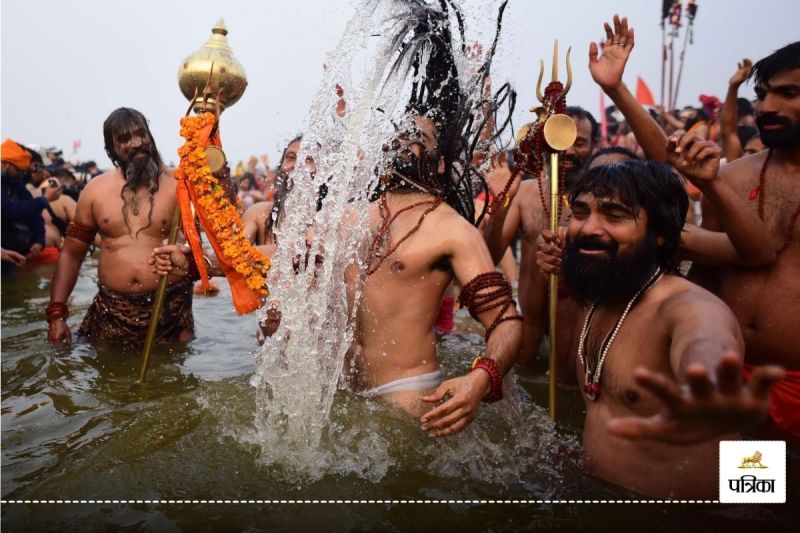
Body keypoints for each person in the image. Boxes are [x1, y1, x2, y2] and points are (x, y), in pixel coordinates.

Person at [536, 159, 782, 498]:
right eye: (580, 212)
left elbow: (706, 344)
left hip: (698, 518)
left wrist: (709, 385)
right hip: (609, 505)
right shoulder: (600, 297)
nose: (589, 228)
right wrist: (563, 286)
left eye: (614, 215)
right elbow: (565, 375)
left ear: (661, 236)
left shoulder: (689, 308)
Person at [346, 116, 522, 436]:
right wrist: (225, 259)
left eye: (418, 138)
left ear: (440, 163)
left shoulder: (452, 230)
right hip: (347, 393)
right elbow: (282, 257)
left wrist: (481, 378)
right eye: (398, 136)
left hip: (408, 396)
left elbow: (505, 320)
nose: (404, 142)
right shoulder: (351, 217)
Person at [690, 41, 800, 439]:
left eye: (788, 94)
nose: (767, 107)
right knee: (748, 494)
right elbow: (703, 278)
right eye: (762, 94)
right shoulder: (731, 178)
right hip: (732, 383)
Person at [47, 107, 194, 346]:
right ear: (111, 149)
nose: (136, 142)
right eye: (125, 139)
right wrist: (57, 315)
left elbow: (206, 242)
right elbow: (72, 254)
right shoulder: (95, 191)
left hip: (171, 309)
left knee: (174, 379)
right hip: (112, 313)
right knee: (108, 379)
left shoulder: (180, 185)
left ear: (150, 136)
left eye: (141, 133)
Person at [482, 106, 600, 364]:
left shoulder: (603, 202)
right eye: (561, 140)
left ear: (594, 146)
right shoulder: (524, 193)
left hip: (579, 337)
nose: (568, 151)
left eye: (579, 142)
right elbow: (489, 256)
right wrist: (501, 203)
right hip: (529, 333)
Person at [2, 139, 61, 273]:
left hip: (15, 250)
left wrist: (38, 240)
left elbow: (34, 214)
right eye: (19, 170)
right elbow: (9, 210)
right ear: (6, 164)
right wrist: (44, 200)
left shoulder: (15, 182)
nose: (22, 175)